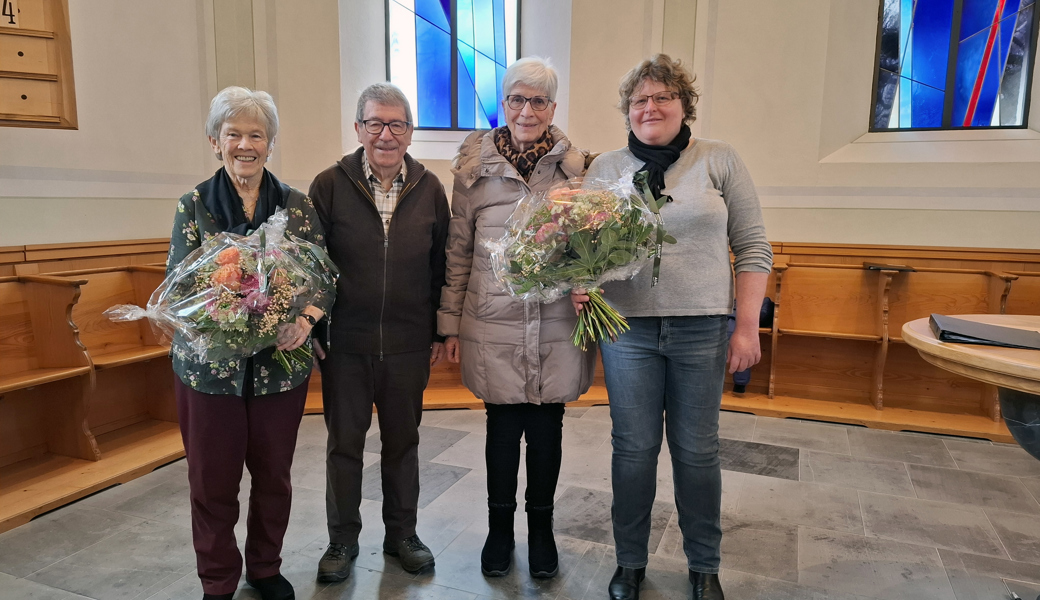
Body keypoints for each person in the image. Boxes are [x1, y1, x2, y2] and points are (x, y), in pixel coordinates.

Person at [571, 55, 773, 600]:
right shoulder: (606, 169)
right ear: (627, 111)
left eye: (662, 98)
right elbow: (580, 251)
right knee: (633, 450)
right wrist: (577, 280)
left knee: (697, 451)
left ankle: (704, 565)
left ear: (685, 106)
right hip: (628, 331)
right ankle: (630, 563)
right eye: (639, 100)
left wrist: (746, 327)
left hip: (703, 329)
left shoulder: (718, 160)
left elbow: (754, 248)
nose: (650, 108)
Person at [167, 86, 334, 600]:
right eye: (233, 133)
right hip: (209, 372)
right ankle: (217, 580)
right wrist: (220, 309)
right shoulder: (193, 204)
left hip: (279, 366)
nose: (245, 144)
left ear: (271, 142)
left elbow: (322, 277)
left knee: (274, 477)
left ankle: (265, 567)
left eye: (256, 134)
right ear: (215, 142)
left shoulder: (296, 205)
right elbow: (179, 284)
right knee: (211, 482)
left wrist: (304, 319)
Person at [438, 56, 596, 579]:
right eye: (517, 100)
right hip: (492, 318)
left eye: (538, 101)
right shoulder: (472, 169)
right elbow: (458, 251)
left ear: (553, 107)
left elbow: (591, 249)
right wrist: (448, 323)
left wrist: (586, 283)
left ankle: (543, 530)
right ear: (503, 104)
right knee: (502, 427)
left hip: (554, 321)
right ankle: (499, 531)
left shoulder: (578, 169)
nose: (527, 111)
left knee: (547, 427)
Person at [309, 82, 450, 582]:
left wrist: (438, 330)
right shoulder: (328, 185)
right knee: (344, 445)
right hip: (345, 344)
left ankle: (402, 536)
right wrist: (316, 328)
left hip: (409, 342)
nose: (385, 134)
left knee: (403, 443)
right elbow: (311, 267)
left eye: (396, 124)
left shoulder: (430, 188)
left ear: (411, 132)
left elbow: (441, 266)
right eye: (375, 123)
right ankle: (342, 541)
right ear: (358, 129)